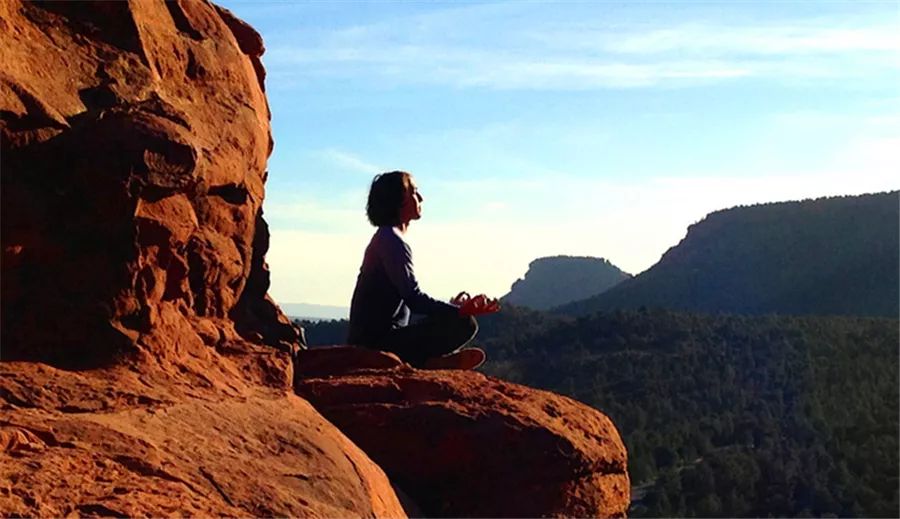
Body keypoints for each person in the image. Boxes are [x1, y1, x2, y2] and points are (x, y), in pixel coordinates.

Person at [347, 170, 496, 368]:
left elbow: (410, 300)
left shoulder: (387, 238)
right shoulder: (391, 241)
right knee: (464, 323)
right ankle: (426, 363)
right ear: (398, 200)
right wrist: (458, 311)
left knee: (454, 318)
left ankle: (429, 361)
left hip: (377, 339)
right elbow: (414, 299)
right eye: (414, 192)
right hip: (375, 345)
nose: (421, 198)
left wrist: (450, 308)